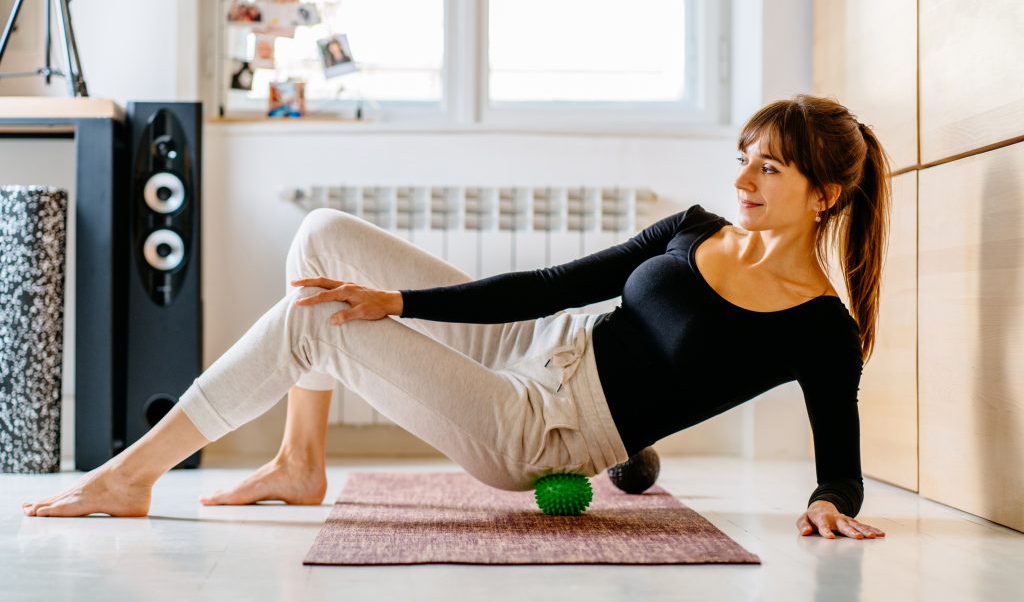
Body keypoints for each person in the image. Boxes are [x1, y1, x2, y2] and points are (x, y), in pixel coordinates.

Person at [22, 94, 888, 540]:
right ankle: (301, 459)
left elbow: (839, 469)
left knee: (311, 321)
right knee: (324, 239)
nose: (744, 179)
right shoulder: (696, 228)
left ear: (828, 192)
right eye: (744, 158)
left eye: (770, 169)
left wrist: (825, 502)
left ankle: (130, 476)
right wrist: (402, 301)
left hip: (543, 429)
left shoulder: (819, 327)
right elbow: (549, 282)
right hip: (539, 343)